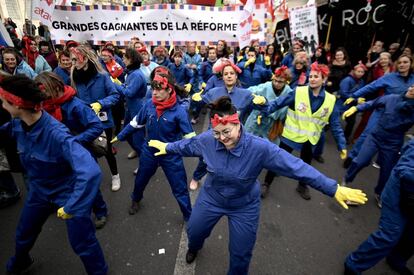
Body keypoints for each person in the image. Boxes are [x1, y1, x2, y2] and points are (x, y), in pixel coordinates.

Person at [148, 96, 367, 275]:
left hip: (244, 205)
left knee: (241, 254)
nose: (222, 138)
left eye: (227, 132)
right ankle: (195, 247)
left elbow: (297, 167)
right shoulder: (208, 139)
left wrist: (333, 188)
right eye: (217, 133)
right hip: (211, 198)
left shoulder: (260, 148)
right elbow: (188, 145)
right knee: (194, 231)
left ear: (238, 124)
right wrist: (167, 147)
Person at [0, 75, 107, 275]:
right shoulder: (17, 124)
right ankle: (20, 261)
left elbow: (91, 172)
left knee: (82, 242)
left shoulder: (57, 134)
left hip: (66, 192)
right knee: (24, 233)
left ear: (18, 105)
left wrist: (73, 205)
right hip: (39, 192)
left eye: (4, 102)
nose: (2, 106)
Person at [112, 69, 195, 221]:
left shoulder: (180, 111)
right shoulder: (149, 104)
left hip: (170, 154)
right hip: (149, 152)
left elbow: (190, 139)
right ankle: (135, 199)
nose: (154, 92)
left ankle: (188, 215)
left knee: (179, 187)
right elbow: (136, 122)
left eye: (158, 89)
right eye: (153, 88)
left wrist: (181, 149)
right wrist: (120, 136)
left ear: (169, 89)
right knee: (141, 178)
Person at [262, 62, 347, 200]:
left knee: (306, 165)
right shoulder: (298, 91)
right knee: (277, 161)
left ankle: (302, 186)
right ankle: (266, 183)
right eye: (310, 76)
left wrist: (342, 145)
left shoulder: (331, 100)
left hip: (310, 140)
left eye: (316, 76)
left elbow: (336, 125)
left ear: (324, 79)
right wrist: (263, 110)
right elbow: (278, 103)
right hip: (290, 136)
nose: (312, 79)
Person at [35, 71, 109, 228]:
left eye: (44, 91)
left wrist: (74, 141)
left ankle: (101, 212)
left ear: (55, 87)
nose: (43, 96)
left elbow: (96, 126)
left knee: (88, 183)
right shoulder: (47, 105)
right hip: (61, 153)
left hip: (81, 151)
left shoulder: (76, 105)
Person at [190, 60, 266, 190]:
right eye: (226, 74)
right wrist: (194, 99)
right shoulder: (213, 92)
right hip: (214, 134)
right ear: (222, 77)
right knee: (205, 158)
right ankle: (196, 177)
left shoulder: (246, 94)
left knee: (231, 162)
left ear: (236, 76)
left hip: (234, 137)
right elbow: (198, 104)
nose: (229, 76)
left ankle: (225, 183)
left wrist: (264, 101)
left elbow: (262, 107)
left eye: (232, 73)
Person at [344, 139, 414, 275]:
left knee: (411, 235)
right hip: (404, 187)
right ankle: (353, 264)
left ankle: (396, 259)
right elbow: (407, 164)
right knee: (390, 233)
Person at [342, 84, 414, 207]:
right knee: (360, 161)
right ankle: (346, 180)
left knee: (386, 172)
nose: (412, 89)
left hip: (393, 144)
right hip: (375, 137)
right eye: (413, 86)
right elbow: (372, 103)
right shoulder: (392, 98)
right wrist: (357, 108)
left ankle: (379, 193)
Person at [344, 54, 414, 168]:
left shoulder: (413, 79)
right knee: (367, 133)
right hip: (382, 111)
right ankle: (352, 157)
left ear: (411, 64)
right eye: (400, 62)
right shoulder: (389, 77)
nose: (402, 65)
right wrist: (354, 95)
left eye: (405, 62)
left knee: (393, 140)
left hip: (401, 116)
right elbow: (371, 86)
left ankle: (381, 161)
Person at [70, 45, 122, 191]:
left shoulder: (103, 76)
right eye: (72, 59)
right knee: (90, 151)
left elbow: (115, 95)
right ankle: (95, 177)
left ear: (85, 58)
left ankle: (115, 175)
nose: (73, 63)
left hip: (104, 121)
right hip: (85, 122)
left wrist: (100, 104)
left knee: (107, 150)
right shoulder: (74, 77)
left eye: (75, 59)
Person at [244, 66, 293, 198]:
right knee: (246, 146)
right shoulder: (266, 86)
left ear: (286, 81)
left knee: (273, 154)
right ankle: (243, 175)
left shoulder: (290, 93)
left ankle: (266, 183)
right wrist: (254, 97)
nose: (277, 83)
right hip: (256, 122)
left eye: (280, 81)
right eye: (275, 80)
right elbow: (249, 90)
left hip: (272, 126)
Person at [114, 48, 147, 157]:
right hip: (130, 108)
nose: (123, 60)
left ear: (131, 60)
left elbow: (129, 93)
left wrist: (115, 85)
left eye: (125, 58)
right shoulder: (132, 73)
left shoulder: (136, 75)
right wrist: (120, 84)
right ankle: (138, 151)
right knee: (127, 134)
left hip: (137, 109)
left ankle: (146, 160)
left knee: (138, 138)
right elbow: (127, 87)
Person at [337, 62, 367, 143]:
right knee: (333, 119)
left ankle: (345, 137)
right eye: (358, 71)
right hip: (341, 104)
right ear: (354, 71)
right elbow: (343, 93)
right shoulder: (347, 80)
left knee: (351, 122)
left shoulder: (361, 81)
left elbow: (362, 92)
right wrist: (356, 100)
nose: (360, 73)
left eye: (362, 72)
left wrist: (362, 99)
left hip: (352, 106)